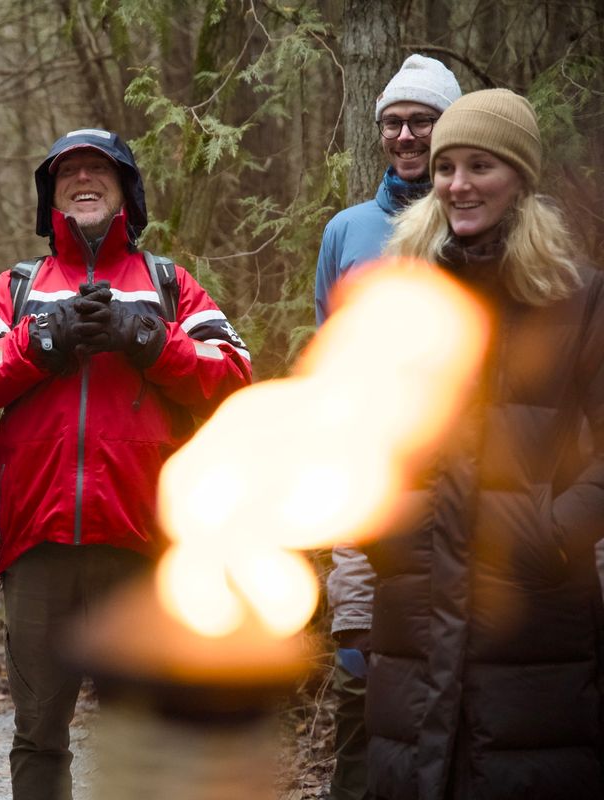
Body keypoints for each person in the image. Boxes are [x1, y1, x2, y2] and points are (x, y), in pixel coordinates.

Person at [0, 128, 252, 800]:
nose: (84, 180)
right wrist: (40, 341)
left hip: (144, 546)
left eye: (99, 171)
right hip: (36, 545)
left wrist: (148, 339)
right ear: (51, 196)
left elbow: (233, 374)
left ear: (126, 191)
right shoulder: (17, 289)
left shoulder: (168, 284)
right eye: (68, 173)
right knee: (38, 735)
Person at [362, 89, 604, 798]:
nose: (458, 185)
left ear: (520, 178)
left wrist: (553, 532)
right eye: (446, 169)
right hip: (412, 600)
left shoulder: (579, 299)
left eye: (480, 166)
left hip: (534, 610)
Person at [313, 54, 461, 800]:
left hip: (462, 490)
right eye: (393, 123)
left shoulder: (471, 226)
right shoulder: (346, 232)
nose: (406, 136)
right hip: (364, 490)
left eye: (422, 121)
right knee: (358, 668)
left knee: (453, 671)